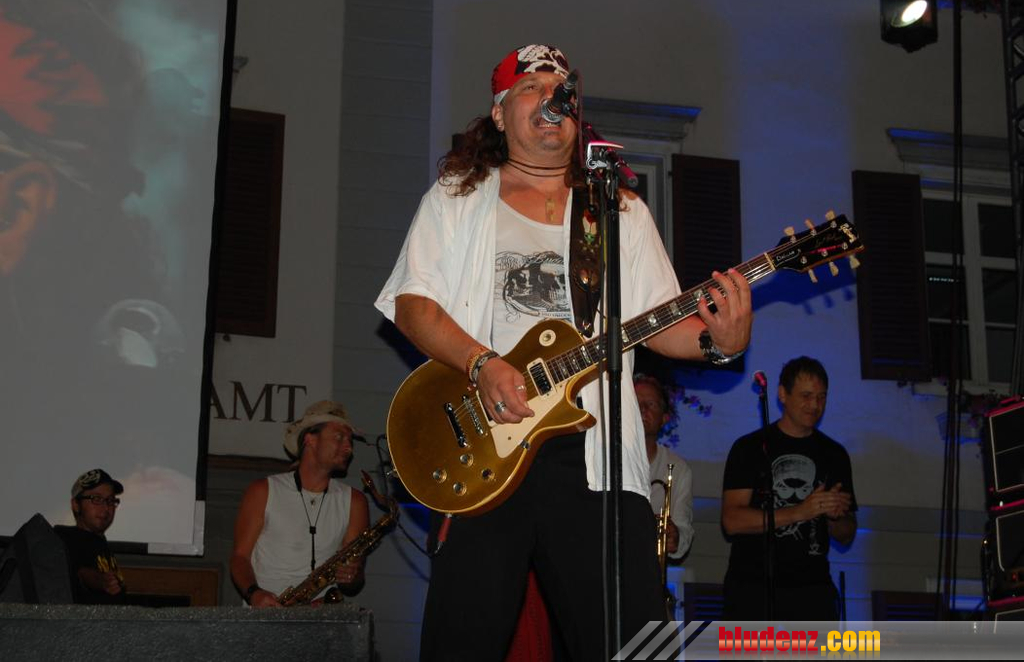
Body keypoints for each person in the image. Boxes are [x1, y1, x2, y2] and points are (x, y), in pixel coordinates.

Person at [375, 44, 752, 660]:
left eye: (561, 90)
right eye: (531, 88)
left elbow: (661, 324)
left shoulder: (619, 210)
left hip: (597, 456)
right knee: (461, 640)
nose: (550, 99)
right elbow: (413, 304)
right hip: (484, 446)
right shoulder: (458, 197)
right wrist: (481, 363)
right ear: (500, 114)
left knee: (631, 644)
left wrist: (720, 342)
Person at [720, 356, 856, 621]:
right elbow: (732, 521)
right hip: (751, 589)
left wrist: (834, 516)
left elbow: (847, 534)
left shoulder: (835, 454)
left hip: (811, 592)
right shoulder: (749, 448)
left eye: (821, 397)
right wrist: (800, 511)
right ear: (783, 394)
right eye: (806, 396)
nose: (814, 405)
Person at [230, 400, 370, 607]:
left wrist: (352, 576)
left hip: (322, 614)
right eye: (339, 437)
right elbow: (240, 557)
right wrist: (254, 594)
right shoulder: (263, 491)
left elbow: (354, 584)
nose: (349, 448)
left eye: (350, 440)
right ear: (310, 439)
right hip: (268, 612)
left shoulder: (355, 502)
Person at [634, 374, 694, 561]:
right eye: (635, 402)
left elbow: (683, 529)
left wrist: (675, 537)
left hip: (647, 568)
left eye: (651, 404)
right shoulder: (602, 458)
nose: (642, 409)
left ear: (664, 418)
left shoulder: (679, 469)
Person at [53, 469, 127, 605]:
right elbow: (82, 573)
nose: (106, 508)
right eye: (96, 499)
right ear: (76, 505)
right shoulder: (66, 538)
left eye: (110, 500)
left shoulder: (101, 544)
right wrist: (102, 581)